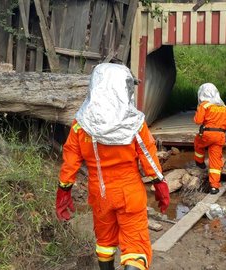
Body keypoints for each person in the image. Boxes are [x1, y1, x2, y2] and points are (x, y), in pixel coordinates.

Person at [55, 63, 170, 270]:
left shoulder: (81, 124)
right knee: (136, 248)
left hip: (100, 194)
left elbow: (70, 159)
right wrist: (160, 185)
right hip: (129, 192)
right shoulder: (133, 123)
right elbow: (148, 155)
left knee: (105, 244)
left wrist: (64, 190)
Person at [193, 83, 226, 194]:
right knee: (215, 160)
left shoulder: (204, 105)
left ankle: (199, 162)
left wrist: (197, 114)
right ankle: (214, 186)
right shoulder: (223, 107)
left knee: (198, 142)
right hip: (220, 136)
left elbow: (198, 121)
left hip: (207, 134)